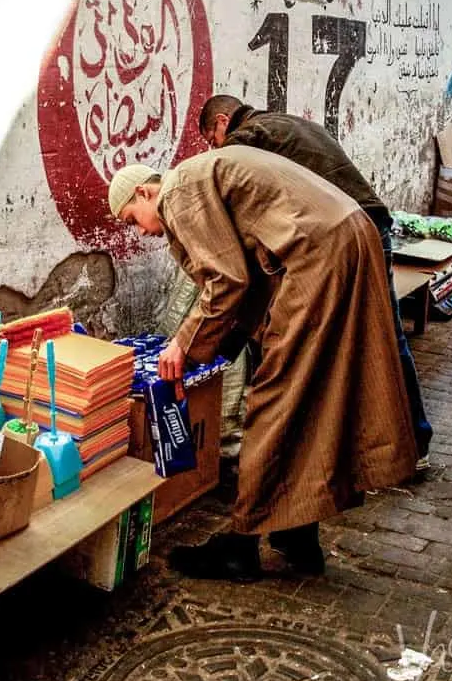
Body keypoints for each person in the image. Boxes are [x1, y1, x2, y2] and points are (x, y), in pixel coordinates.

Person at [108, 148, 417, 581]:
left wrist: (182, 345)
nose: (140, 232)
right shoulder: (198, 180)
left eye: (131, 218)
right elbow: (249, 278)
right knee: (310, 395)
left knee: (274, 399)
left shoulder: (178, 192)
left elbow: (227, 280)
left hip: (320, 254)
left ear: (143, 191)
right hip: (343, 239)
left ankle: (243, 543)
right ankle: (295, 529)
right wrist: (224, 349)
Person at [199, 95, 433, 471]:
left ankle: (411, 443)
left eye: (213, 140)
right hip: (365, 224)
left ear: (223, 122)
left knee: (384, 336)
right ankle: (390, 443)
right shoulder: (286, 122)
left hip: (352, 232)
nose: (216, 151)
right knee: (375, 336)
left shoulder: (249, 137)